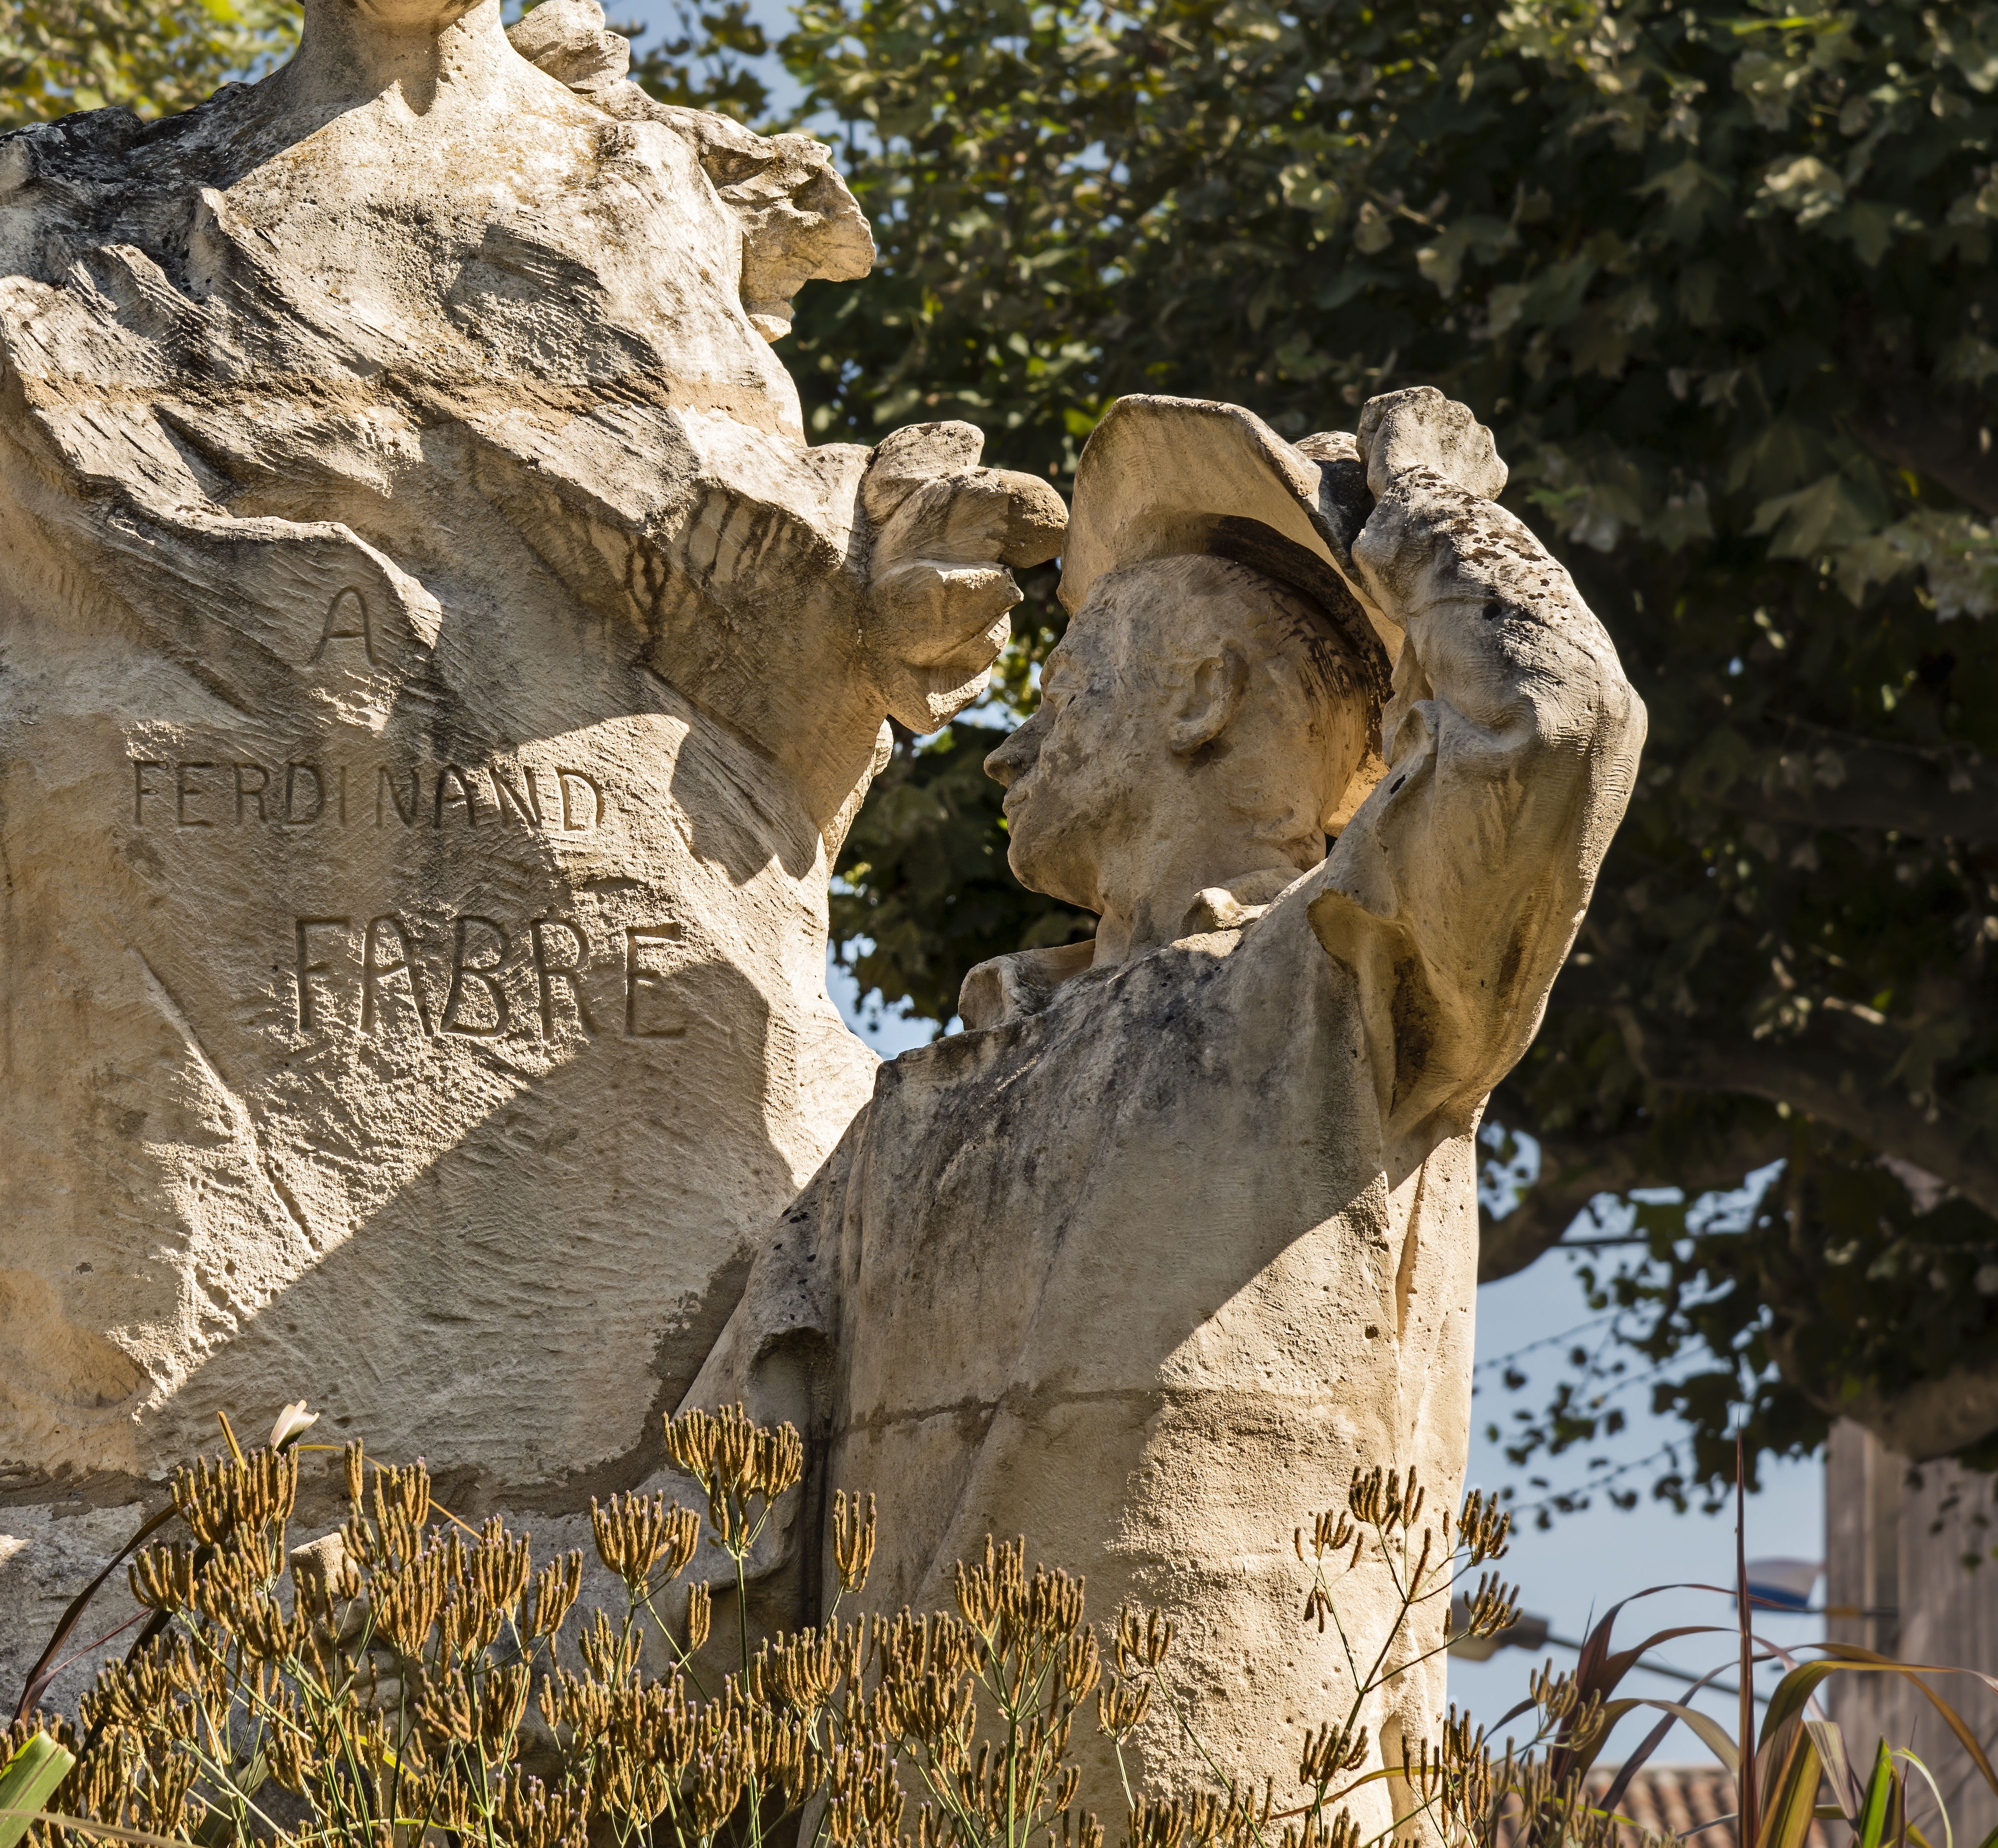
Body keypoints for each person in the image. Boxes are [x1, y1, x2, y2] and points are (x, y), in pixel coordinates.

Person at [0, 0, 1067, 1516]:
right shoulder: (78, 226)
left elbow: (770, 627)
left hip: (629, 1093)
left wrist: (890, 598)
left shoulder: (647, 212)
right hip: (125, 1170)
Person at [687, 387, 1645, 1822]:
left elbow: (1553, 723)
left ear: (1200, 692)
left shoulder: (1329, 985)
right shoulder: (911, 1117)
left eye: (1067, 683)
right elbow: (714, 1546)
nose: (1010, 749)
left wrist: (1431, 514)